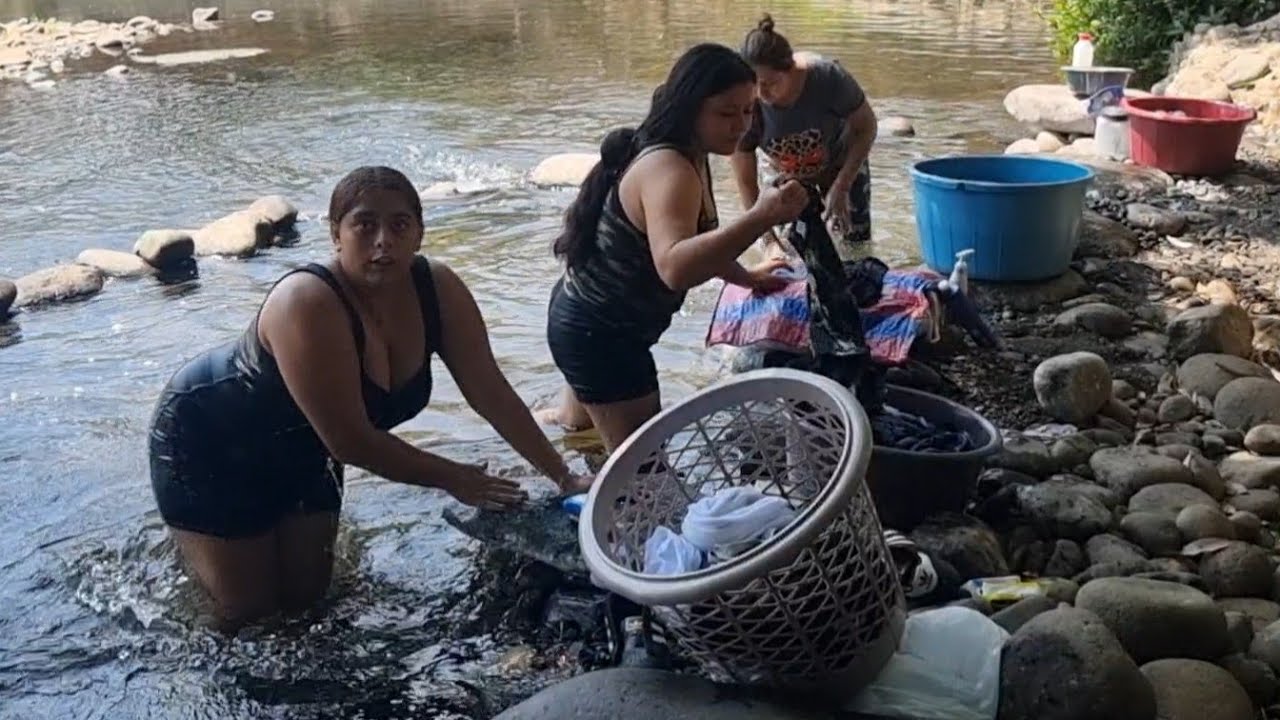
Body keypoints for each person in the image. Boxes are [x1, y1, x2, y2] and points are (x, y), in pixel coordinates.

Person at [148, 166, 591, 631]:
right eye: (364, 224)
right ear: (335, 234)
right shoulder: (307, 301)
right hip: (209, 439)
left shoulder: (438, 290)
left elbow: (491, 391)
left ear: (420, 234)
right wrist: (457, 478)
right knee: (249, 620)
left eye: (400, 225)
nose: (384, 241)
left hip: (305, 448)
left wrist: (562, 475)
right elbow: (352, 442)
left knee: (310, 607)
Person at [539, 43, 809, 451]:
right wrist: (761, 217)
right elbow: (675, 266)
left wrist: (745, 277)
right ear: (689, 109)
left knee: (578, 436)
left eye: (748, 110)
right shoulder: (671, 169)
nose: (741, 125)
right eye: (725, 113)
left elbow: (691, 241)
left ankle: (538, 469)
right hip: (603, 335)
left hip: (586, 318)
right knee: (641, 476)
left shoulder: (687, 154)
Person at [731, 14, 879, 255]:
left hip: (839, 163)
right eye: (755, 84)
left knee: (856, 246)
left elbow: (867, 127)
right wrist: (769, 243)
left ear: (790, 69)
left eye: (770, 83)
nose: (761, 93)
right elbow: (746, 184)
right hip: (784, 170)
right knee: (789, 251)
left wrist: (841, 186)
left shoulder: (828, 79)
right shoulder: (746, 103)